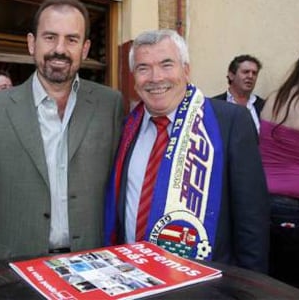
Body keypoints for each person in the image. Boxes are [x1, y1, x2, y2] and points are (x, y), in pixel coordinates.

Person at [0, 0, 124, 266]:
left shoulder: (110, 105)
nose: (60, 49)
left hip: (95, 264)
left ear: (85, 49)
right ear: (31, 43)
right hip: (17, 268)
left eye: (72, 39)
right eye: (50, 37)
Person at [104, 29, 269, 273]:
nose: (155, 77)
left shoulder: (230, 122)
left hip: (205, 283)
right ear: (133, 77)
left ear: (186, 70)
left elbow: (252, 222)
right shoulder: (125, 127)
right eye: (143, 68)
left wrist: (248, 288)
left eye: (166, 64)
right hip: (130, 276)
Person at [259, 46, 299, 290]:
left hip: (266, 201)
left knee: (273, 279)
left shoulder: (275, 98)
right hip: (298, 209)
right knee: (296, 283)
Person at [212, 54, 264, 132]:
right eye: (245, 72)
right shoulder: (214, 105)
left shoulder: (263, 106)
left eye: (254, 73)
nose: (250, 76)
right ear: (231, 75)